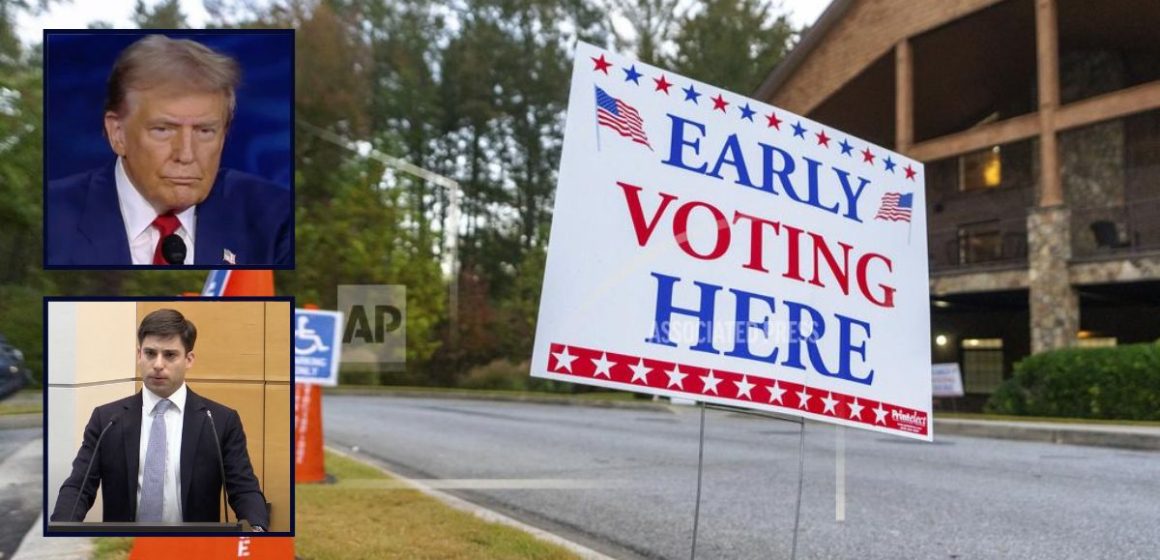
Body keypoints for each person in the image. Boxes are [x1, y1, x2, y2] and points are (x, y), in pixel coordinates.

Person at [45, 34, 291, 266]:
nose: (186, 155)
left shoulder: (276, 220)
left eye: (205, 131)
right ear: (117, 133)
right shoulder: (50, 218)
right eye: (163, 130)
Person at [51, 309, 269, 531]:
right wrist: (60, 529)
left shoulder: (220, 421)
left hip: (196, 549)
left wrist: (258, 530)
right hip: (126, 547)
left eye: (170, 355)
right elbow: (78, 487)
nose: (157, 364)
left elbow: (244, 489)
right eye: (150, 353)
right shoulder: (107, 419)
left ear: (189, 359)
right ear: (139, 355)